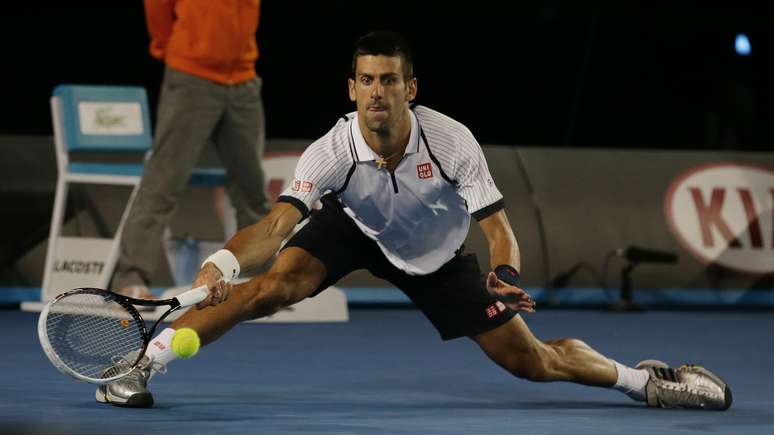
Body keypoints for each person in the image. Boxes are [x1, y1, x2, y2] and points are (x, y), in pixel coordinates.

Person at [96, 31, 732, 411]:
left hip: (436, 257)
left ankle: (645, 382)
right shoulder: (333, 150)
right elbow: (275, 226)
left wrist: (503, 271)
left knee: (533, 363)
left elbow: (497, 229)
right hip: (357, 228)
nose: (377, 92)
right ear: (351, 89)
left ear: (411, 88)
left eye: (390, 81)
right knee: (267, 288)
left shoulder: (451, 142)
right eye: (366, 80)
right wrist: (221, 266)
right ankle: (143, 362)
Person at [111, 0, 271, 298]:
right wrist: (174, 48)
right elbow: (157, 7)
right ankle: (132, 279)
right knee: (163, 183)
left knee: (252, 190)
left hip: (243, 80)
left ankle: (260, 281)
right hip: (192, 78)